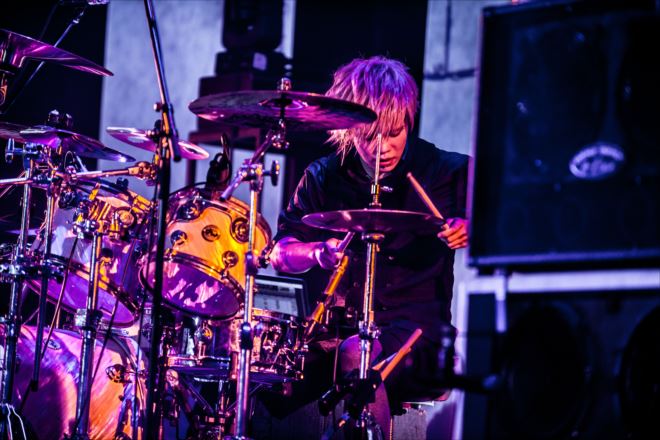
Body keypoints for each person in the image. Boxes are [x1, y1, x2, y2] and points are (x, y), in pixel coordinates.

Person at [268, 55, 469, 438]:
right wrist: (317, 252)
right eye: (369, 136)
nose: (383, 148)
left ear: (408, 120)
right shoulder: (323, 176)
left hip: (419, 336)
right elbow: (280, 253)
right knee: (262, 379)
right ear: (347, 129)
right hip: (336, 328)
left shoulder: (445, 171)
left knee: (355, 355)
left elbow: (503, 225)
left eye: (393, 133)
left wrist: (468, 228)